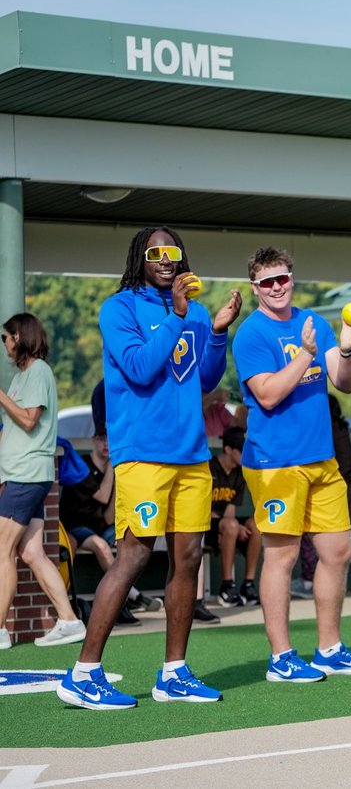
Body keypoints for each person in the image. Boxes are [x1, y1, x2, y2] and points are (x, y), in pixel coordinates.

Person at [58, 226, 241, 709]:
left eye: (172, 252)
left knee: (187, 559)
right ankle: (83, 672)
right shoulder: (118, 308)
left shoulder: (196, 309)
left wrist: (217, 331)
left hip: (192, 455)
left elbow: (204, 378)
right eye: (155, 252)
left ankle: (174, 674)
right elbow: (140, 367)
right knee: (134, 556)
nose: (165, 259)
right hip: (142, 453)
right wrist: (177, 316)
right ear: (140, 257)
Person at [233, 246, 351, 683]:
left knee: (338, 551)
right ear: (255, 288)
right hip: (274, 462)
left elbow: (345, 384)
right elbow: (268, 394)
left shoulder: (311, 321)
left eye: (283, 278)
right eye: (267, 282)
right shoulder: (251, 334)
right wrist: (305, 354)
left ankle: (329, 649)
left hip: (321, 458)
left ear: (292, 278)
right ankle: (281, 657)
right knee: (282, 556)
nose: (277, 287)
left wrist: (348, 350)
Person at [0, 313, 85, 649]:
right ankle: (68, 620)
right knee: (32, 552)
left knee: (2, 550)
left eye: (5, 337)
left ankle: (0, 630)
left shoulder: (38, 371)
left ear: (19, 336)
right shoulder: (23, 375)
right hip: (24, 474)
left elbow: (30, 421)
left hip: (26, 475)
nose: (4, 344)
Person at [59, 431, 150, 626]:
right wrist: (112, 466)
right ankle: (124, 602)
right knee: (102, 546)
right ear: (93, 440)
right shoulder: (82, 465)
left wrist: (118, 479)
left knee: (130, 541)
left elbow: (109, 517)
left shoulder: (113, 470)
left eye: (110, 439)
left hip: (101, 526)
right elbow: (101, 495)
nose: (106, 444)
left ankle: (131, 597)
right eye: (101, 438)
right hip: (76, 527)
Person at [210, 426, 261, 608]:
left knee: (256, 525)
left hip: (225, 521)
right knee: (231, 526)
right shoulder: (210, 467)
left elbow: (230, 509)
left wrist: (238, 527)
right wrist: (232, 526)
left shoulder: (240, 472)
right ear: (228, 450)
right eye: (241, 451)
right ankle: (226, 587)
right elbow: (202, 509)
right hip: (204, 523)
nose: (245, 455)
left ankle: (248, 584)